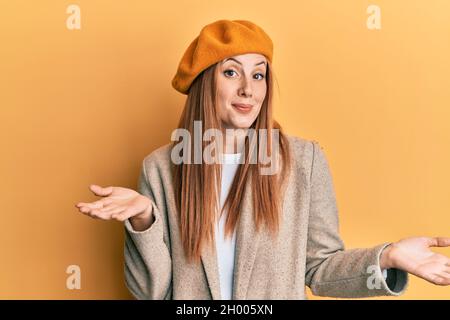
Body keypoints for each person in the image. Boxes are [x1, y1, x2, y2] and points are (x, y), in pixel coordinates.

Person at [75, 19, 450, 300]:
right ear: (206, 81)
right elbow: (151, 292)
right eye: (231, 72)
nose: (248, 89)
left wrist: (387, 257)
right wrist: (144, 220)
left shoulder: (305, 161)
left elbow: (319, 269)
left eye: (259, 74)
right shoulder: (160, 169)